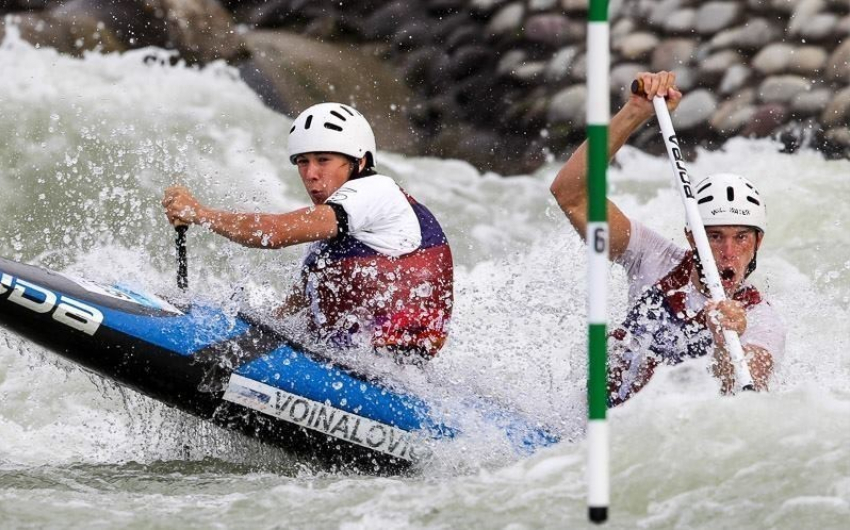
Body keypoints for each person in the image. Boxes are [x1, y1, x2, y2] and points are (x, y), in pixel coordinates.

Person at [550, 71, 785, 405]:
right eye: (715, 237)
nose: (728, 252)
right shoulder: (650, 255)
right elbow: (571, 194)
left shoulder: (761, 321)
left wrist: (724, 343)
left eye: (741, 238)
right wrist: (635, 112)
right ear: (692, 237)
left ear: (757, 243)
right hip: (599, 425)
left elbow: (745, 402)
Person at [162, 102, 454, 362]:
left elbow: (273, 233)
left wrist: (199, 213)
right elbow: (290, 314)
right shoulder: (332, 236)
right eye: (303, 161)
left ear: (360, 162)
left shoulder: (377, 191)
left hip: (390, 370)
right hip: (352, 366)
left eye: (323, 160)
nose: (311, 173)